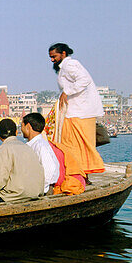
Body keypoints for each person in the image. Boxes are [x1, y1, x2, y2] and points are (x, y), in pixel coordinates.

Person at [49, 43, 105, 182]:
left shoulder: (70, 65)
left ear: (63, 53)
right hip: (74, 112)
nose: (52, 60)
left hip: (80, 112)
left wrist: (67, 92)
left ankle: (82, 177)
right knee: (72, 145)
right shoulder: (64, 67)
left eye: (54, 56)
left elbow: (84, 80)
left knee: (79, 146)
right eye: (50, 57)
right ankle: (79, 175)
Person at [21, 113, 61, 193]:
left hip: (42, 191)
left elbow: (49, 172)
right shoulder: (34, 144)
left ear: (28, 127)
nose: (21, 129)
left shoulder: (40, 145)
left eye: (22, 126)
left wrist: (37, 188)